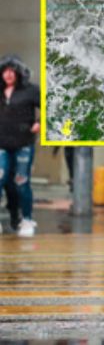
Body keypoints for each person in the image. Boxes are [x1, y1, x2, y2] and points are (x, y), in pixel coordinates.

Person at [0, 56, 38, 237]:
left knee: (21, 182)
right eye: (4, 71)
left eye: (11, 71)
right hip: (1, 144)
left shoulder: (30, 90)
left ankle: (27, 219)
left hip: (23, 143)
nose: (7, 75)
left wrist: (39, 123)